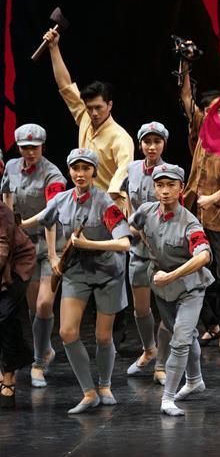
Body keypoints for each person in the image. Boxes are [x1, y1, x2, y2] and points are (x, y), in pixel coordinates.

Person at [38, 148, 131, 414]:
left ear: (94, 172)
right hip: (77, 271)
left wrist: (89, 244)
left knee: (103, 336)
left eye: (86, 169)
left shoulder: (105, 203)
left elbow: (124, 243)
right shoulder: (62, 199)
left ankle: (105, 385)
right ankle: (89, 392)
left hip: (108, 272)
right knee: (67, 332)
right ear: (69, 171)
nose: (80, 174)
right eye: (75, 169)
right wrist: (53, 255)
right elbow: (46, 220)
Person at [130, 164, 213, 416]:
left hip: (189, 286)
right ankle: (194, 380)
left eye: (171, 185)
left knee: (179, 340)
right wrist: (146, 245)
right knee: (187, 336)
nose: (165, 191)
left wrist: (172, 275)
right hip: (161, 285)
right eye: (160, 185)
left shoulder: (190, 222)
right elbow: (133, 225)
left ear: (181, 188)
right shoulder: (147, 211)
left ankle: (167, 398)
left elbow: (204, 256)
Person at [0, 124, 66, 388]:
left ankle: (39, 362)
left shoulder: (52, 174)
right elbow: (6, 198)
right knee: (32, 306)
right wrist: (9, 227)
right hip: (24, 248)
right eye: (25, 147)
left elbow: (52, 209)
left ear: (42, 146)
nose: (30, 152)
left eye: (34, 147)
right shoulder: (11, 167)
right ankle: (45, 349)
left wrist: (22, 224)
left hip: (50, 243)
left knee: (44, 304)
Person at [43, 30, 134, 209]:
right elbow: (65, 85)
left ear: (109, 105)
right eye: (89, 108)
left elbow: (123, 173)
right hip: (85, 201)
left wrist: (103, 204)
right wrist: (53, 48)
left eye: (99, 107)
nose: (94, 113)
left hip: (111, 206)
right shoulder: (85, 118)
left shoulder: (120, 137)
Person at [179, 60, 220, 351]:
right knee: (196, 274)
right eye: (209, 111)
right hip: (194, 215)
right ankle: (212, 325)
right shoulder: (202, 133)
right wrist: (185, 65)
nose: (214, 115)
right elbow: (187, 100)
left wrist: (214, 198)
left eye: (218, 110)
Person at [122, 122, 171, 384]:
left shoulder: (170, 172)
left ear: (164, 144)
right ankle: (148, 349)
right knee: (141, 308)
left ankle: (161, 363)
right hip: (138, 250)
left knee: (166, 310)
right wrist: (132, 226)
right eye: (147, 141)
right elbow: (128, 202)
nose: (152, 147)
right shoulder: (132, 169)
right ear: (140, 143)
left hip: (163, 251)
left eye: (157, 141)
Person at [0, 203, 37, 409]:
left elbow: (2, 248)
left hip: (16, 265)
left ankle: (8, 375)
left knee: (5, 316)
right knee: (8, 319)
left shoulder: (2, 212)